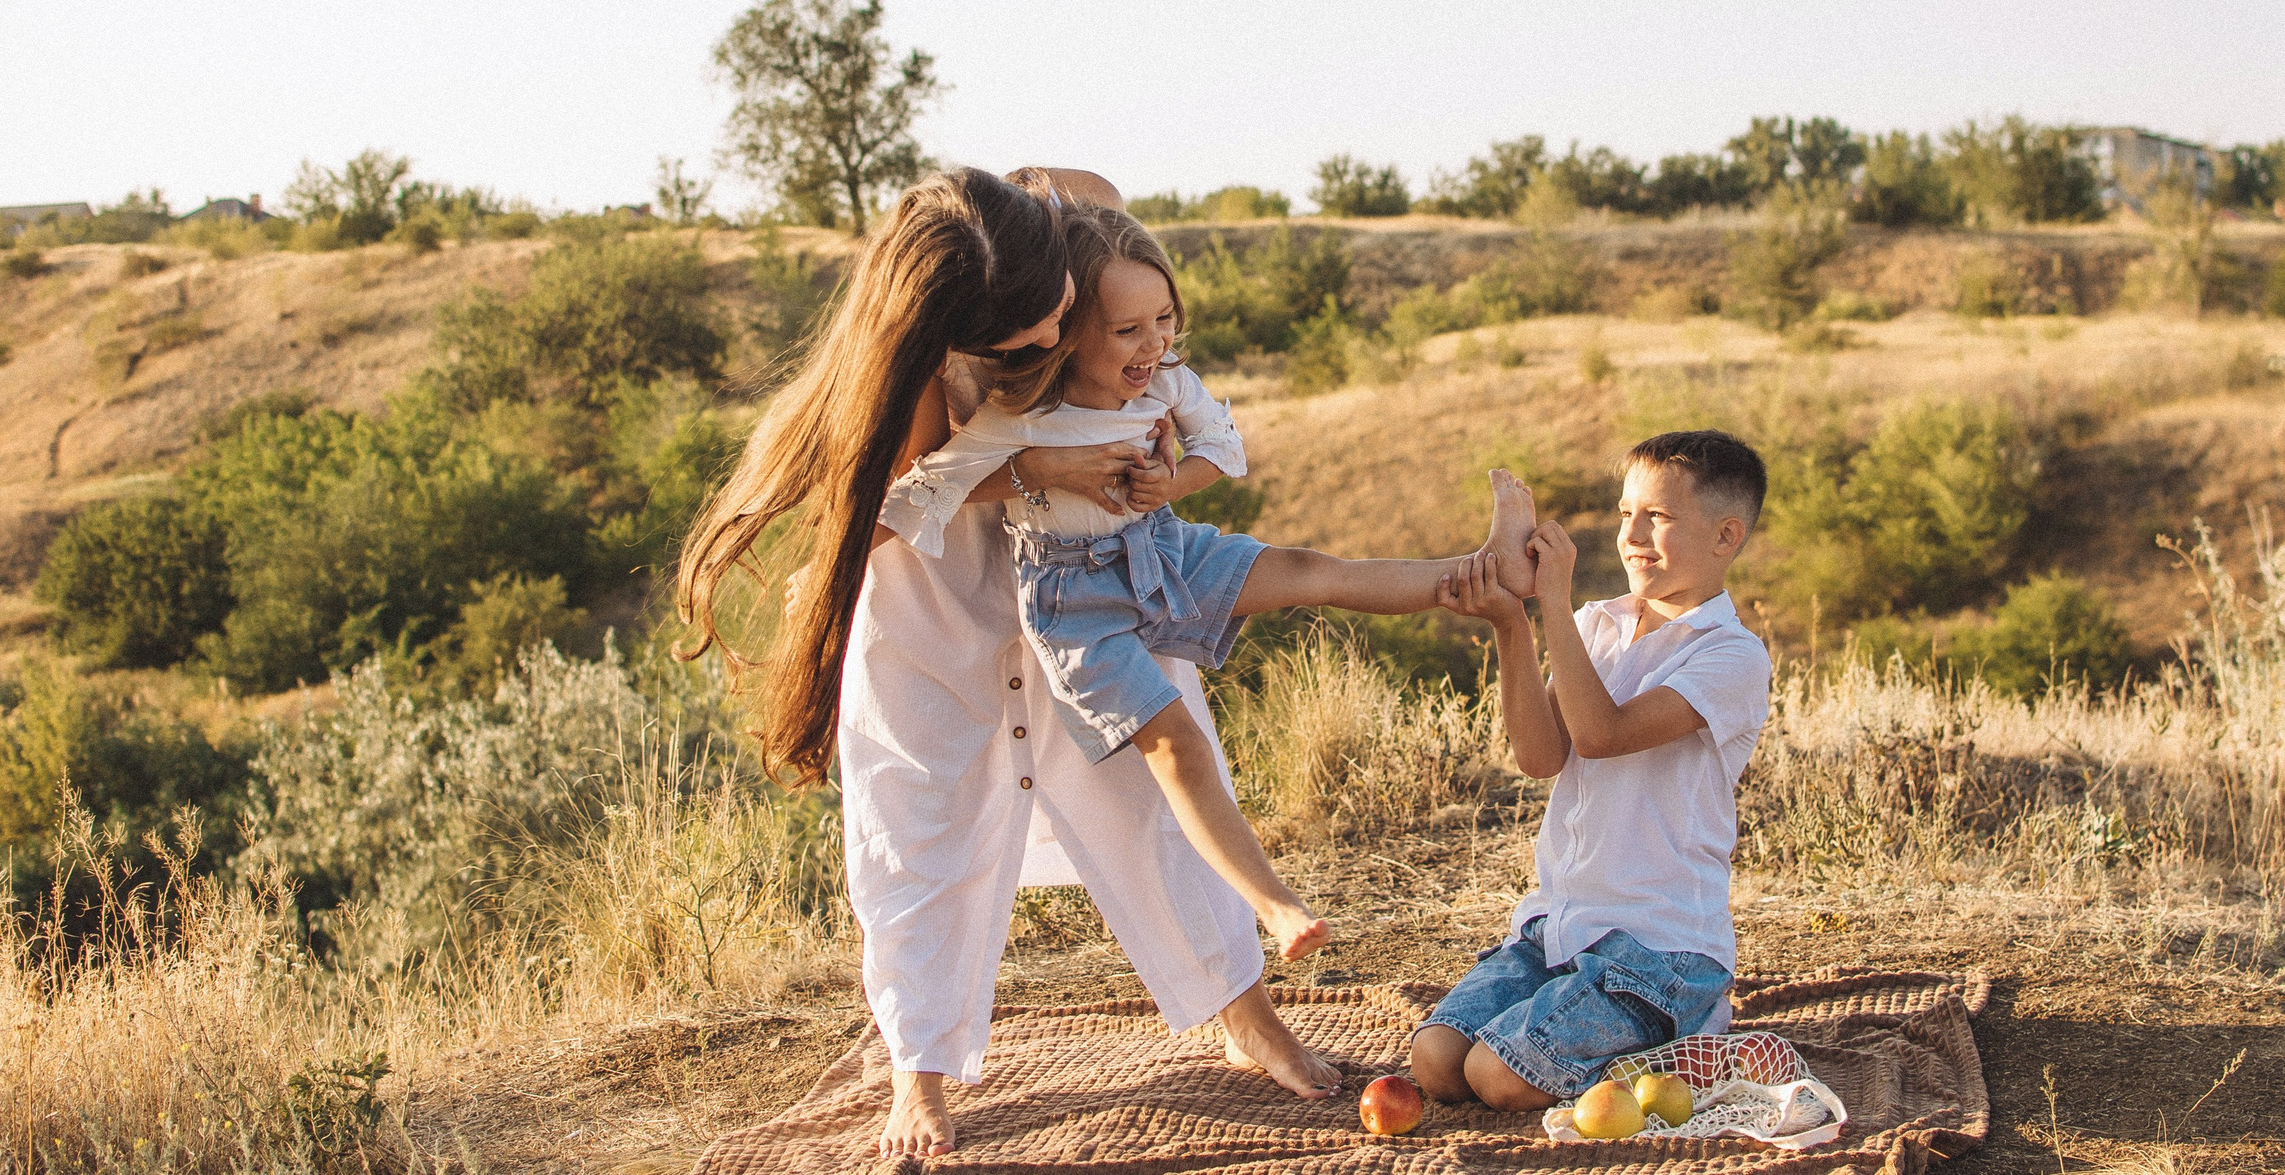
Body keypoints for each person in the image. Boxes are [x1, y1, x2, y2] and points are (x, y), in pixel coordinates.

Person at [675, 167, 1342, 1160]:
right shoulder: (908, 359)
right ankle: (921, 1073)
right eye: (1015, 348)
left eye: (1052, 328)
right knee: (921, 825)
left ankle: (1245, 1015)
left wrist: (1139, 463)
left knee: (1151, 793)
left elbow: (1150, 361)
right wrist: (1027, 468)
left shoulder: (1060, 216)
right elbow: (889, 514)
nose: (1041, 350)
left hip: (1080, 586)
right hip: (932, 596)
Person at [881, 203, 1540, 964]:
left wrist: (1173, 483)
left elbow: (1225, 446)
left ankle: (1490, 570)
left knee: (1309, 569)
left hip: (1158, 547)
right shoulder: (1025, 411)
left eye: (1164, 319)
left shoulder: (1166, 383)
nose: (1155, 343)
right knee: (1176, 744)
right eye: (1128, 330)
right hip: (1074, 605)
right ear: (1068, 331)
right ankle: (1275, 904)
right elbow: (921, 490)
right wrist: (1034, 470)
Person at [1408, 429, 1775, 1112]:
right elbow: (1542, 755)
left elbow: (1602, 734)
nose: (1632, 533)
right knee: (1436, 1062)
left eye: (1657, 517)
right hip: (1559, 929)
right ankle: (1596, 1024)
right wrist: (1513, 625)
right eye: (1624, 512)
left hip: (1659, 949)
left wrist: (1549, 602)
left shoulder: (1732, 656)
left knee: (1499, 1076)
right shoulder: (1598, 626)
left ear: (1727, 536)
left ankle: (1690, 1030)